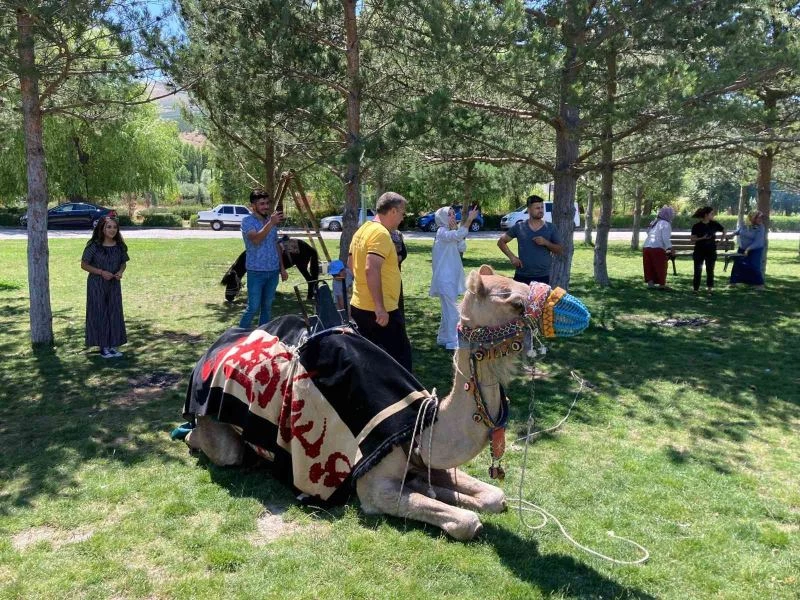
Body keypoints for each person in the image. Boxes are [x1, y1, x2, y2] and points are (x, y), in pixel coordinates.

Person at [348, 191, 412, 371]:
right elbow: (371, 268)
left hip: (360, 305)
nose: (402, 218)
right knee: (401, 361)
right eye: (402, 213)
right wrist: (379, 307)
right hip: (381, 310)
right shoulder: (381, 234)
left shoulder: (363, 229)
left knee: (370, 361)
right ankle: (406, 397)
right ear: (393, 211)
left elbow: (351, 264)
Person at [429, 205, 479, 350]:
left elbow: (462, 247)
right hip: (445, 278)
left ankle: (443, 337)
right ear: (442, 218)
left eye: (452, 213)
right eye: (449, 214)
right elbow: (458, 235)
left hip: (451, 277)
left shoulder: (449, 232)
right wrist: (469, 219)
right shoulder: (441, 232)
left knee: (447, 310)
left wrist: (457, 230)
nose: (452, 216)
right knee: (452, 311)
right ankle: (453, 341)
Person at [80, 216, 129, 358]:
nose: (112, 230)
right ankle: (103, 347)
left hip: (113, 284)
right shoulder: (94, 246)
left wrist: (120, 272)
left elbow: (123, 262)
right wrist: (101, 272)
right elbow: (84, 264)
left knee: (114, 312)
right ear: (102, 229)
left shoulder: (119, 246)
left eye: (114, 227)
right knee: (100, 313)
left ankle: (113, 345)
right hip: (97, 284)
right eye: (109, 227)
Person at [239, 189, 288, 328]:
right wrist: (271, 223)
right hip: (256, 272)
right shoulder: (247, 221)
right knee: (253, 307)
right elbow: (255, 239)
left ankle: (262, 336)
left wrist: (282, 268)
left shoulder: (269, 221)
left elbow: (276, 245)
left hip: (273, 272)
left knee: (267, 307)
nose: (266, 206)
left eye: (267, 203)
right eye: (262, 204)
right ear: (253, 206)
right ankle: (237, 338)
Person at [497, 194, 562, 285]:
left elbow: (560, 250)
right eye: (537, 208)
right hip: (521, 275)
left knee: (540, 300)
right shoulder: (519, 227)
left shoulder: (550, 227)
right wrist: (512, 257)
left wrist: (546, 242)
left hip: (542, 276)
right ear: (529, 210)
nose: (541, 210)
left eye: (542, 207)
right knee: (520, 300)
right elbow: (501, 242)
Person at [690, 206, 726, 294]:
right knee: (697, 270)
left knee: (710, 270)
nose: (713, 215)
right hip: (699, 251)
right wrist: (702, 238)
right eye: (712, 214)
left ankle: (709, 289)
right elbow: (692, 239)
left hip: (711, 250)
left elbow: (724, 230)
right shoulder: (697, 226)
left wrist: (721, 241)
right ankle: (696, 289)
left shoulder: (714, 224)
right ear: (706, 215)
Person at [729, 210, 766, 289]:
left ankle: (759, 284)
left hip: (755, 249)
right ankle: (733, 283)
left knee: (754, 265)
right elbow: (739, 231)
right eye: (759, 218)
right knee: (737, 265)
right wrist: (731, 234)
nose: (760, 220)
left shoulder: (761, 227)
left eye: (761, 218)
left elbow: (758, 242)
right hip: (742, 248)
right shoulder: (745, 224)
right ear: (752, 218)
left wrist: (748, 249)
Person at [642, 205, 675, 290]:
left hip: (646, 246)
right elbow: (665, 238)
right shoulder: (666, 224)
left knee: (649, 266)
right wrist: (670, 248)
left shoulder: (654, 222)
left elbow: (648, 232)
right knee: (661, 266)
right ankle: (662, 284)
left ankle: (650, 283)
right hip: (657, 247)